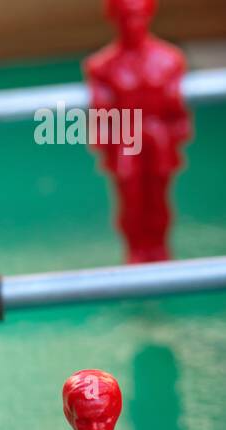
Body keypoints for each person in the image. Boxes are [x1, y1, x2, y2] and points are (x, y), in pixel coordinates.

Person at [85, 0, 190, 263]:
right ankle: (136, 251)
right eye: (126, 17)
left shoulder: (168, 60)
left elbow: (178, 113)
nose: (133, 24)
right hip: (125, 138)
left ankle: (158, 249)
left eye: (137, 16)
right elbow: (101, 115)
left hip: (157, 137)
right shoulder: (102, 67)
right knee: (130, 201)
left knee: (158, 199)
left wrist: (175, 130)